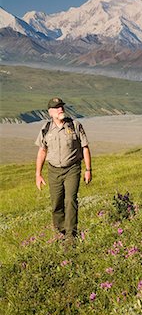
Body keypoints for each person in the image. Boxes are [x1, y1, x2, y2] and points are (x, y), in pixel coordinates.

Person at [35, 97, 92, 243]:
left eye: (62, 106)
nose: (61, 109)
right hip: (53, 171)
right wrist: (38, 174)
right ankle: (60, 233)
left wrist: (88, 170)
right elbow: (42, 151)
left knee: (70, 200)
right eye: (57, 107)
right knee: (56, 204)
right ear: (50, 112)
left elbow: (85, 148)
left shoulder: (75, 125)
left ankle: (70, 236)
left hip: (72, 169)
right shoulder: (46, 128)